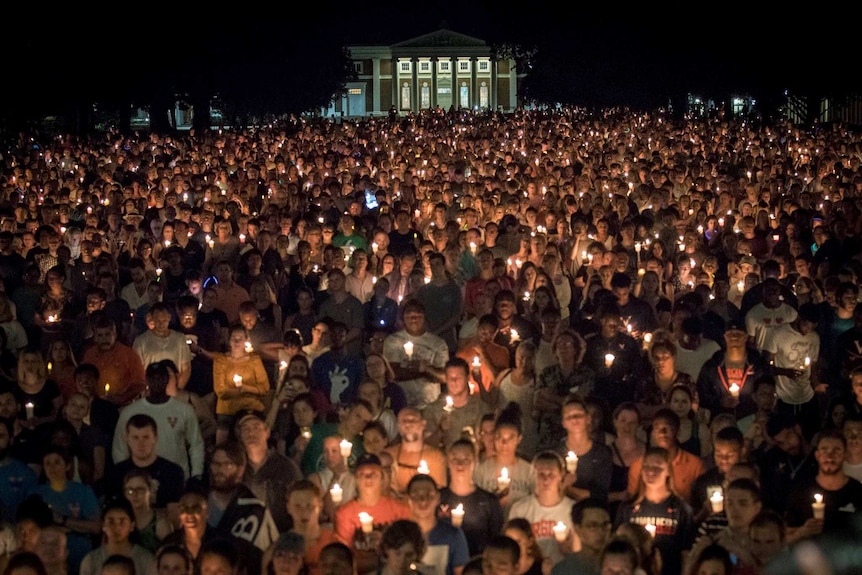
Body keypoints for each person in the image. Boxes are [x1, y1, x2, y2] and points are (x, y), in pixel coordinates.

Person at [111, 362, 204, 482]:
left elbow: (196, 444)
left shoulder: (184, 410)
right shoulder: (130, 411)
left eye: (160, 377)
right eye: (153, 378)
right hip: (141, 480)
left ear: (167, 379)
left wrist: (196, 475)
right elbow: (120, 447)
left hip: (176, 479)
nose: (157, 382)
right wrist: (126, 475)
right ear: (147, 380)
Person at [615, 446, 696, 575]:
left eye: (657, 467)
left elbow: (686, 551)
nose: (650, 472)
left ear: (668, 471)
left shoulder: (681, 508)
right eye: (646, 466)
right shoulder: (628, 507)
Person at [27, 445, 102, 574]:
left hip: (80, 557)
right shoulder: (35, 494)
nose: (52, 468)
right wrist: (75, 526)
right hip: (47, 560)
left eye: (57, 462)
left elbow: (96, 526)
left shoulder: (83, 492)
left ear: (67, 466)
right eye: (48, 464)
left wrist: (62, 520)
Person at [333, 453, 411, 575]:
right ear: (356, 480)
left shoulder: (400, 510)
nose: (368, 479)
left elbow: (406, 550)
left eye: (373, 474)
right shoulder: (344, 514)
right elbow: (345, 556)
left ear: (382, 478)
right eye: (363, 475)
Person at [784, 428, 862, 543]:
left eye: (837, 450)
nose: (830, 456)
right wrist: (802, 531)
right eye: (824, 450)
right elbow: (784, 536)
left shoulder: (858, 491)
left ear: (845, 454)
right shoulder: (801, 490)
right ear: (817, 455)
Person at [235, 410, 303, 533]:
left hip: (279, 534)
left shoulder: (286, 467)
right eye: (246, 429)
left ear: (267, 432)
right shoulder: (236, 468)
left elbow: (300, 501)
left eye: (256, 427)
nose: (251, 433)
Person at [506, 451, 574, 568]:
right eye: (541, 474)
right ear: (533, 475)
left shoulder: (572, 510)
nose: (546, 480)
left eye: (551, 474)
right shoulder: (520, 510)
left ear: (561, 474)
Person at [438, 438, 503, 556]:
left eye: (466, 459)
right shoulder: (437, 498)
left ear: (475, 462)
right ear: (448, 462)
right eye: (454, 459)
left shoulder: (489, 502)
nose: (460, 464)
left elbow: (495, 542)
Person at [382, 300, 449, 411]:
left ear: (424, 317)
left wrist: (424, 369)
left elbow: (443, 376)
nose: (414, 319)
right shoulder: (393, 341)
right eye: (409, 315)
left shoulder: (438, 343)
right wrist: (423, 370)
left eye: (418, 315)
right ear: (403, 318)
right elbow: (392, 373)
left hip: (429, 405)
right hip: (401, 403)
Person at [534, 330, 595, 451]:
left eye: (568, 344)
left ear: (575, 349)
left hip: (574, 434)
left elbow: (580, 401)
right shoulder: (547, 373)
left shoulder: (586, 374)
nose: (563, 348)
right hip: (548, 436)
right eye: (560, 345)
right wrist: (567, 402)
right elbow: (538, 403)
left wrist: (551, 398)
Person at [473, 403, 536, 514]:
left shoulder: (529, 471)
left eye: (510, 438)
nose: (504, 443)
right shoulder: (482, 471)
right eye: (499, 437)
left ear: (519, 439)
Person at [423, 358, 494, 452]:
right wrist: (440, 430)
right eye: (450, 378)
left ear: (467, 377)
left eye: (458, 377)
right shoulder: (433, 410)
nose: (454, 381)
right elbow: (427, 446)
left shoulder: (482, 409)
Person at [405, 474, 470, 575]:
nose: (423, 500)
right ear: (407, 499)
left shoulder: (453, 535)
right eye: (416, 495)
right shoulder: (399, 534)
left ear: (437, 498)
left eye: (429, 495)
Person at [556, 394, 614, 504]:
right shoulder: (556, 454)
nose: (575, 420)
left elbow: (600, 493)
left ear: (588, 418)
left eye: (579, 415)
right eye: (569, 416)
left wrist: (566, 488)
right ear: (563, 423)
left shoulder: (602, 453)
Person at [78, 498, 157, 575]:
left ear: (132, 526)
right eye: (111, 521)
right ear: (103, 525)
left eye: (122, 521)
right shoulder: (91, 561)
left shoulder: (146, 560)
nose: (116, 527)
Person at [81, 316, 147, 407]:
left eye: (108, 334)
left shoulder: (129, 354)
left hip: (122, 407)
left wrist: (121, 398)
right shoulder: (90, 354)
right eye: (100, 335)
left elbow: (140, 383)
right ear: (95, 337)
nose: (104, 339)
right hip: (95, 405)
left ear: (115, 335)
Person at [384, 407, 447, 496]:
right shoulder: (388, 456)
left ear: (423, 424)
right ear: (398, 426)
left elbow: (438, 492)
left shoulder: (436, 457)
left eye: (412, 420)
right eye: (404, 421)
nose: (408, 425)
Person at [132, 303, 192, 391]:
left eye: (164, 321)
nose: (161, 324)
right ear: (152, 319)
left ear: (169, 318)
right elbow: (137, 370)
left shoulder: (180, 339)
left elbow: (186, 368)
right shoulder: (141, 341)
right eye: (158, 321)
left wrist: (177, 389)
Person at [550, 498, 612, 575]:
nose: (601, 532)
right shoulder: (564, 570)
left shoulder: (620, 565)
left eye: (605, 525)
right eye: (593, 526)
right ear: (577, 529)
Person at [122, 469, 173, 554]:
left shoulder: (161, 524)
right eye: (130, 491)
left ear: (149, 491)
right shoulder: (120, 520)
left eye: (140, 490)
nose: (135, 494)